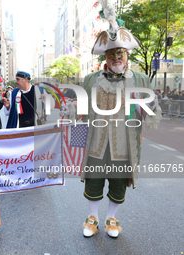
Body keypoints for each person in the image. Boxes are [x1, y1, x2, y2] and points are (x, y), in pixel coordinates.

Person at [80, 9, 161, 238]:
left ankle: (111, 218)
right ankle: (93, 217)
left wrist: (152, 105)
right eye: (111, 55)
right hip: (97, 141)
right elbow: (81, 110)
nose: (116, 58)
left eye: (120, 54)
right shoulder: (90, 80)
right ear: (104, 57)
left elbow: (150, 112)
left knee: (118, 181)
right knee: (94, 180)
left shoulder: (141, 79)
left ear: (127, 55)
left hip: (125, 143)